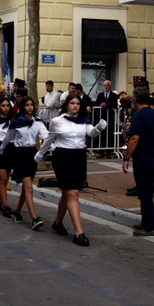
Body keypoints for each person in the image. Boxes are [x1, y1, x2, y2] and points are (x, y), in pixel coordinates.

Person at [34, 95, 108, 246]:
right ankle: (78, 232)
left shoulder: (83, 120)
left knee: (68, 192)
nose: (75, 106)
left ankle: (58, 222)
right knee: (73, 193)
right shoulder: (57, 121)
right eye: (72, 103)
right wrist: (38, 156)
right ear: (66, 105)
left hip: (79, 157)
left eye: (77, 104)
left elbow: (91, 133)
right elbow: (49, 140)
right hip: (62, 158)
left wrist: (99, 128)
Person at [0, 96, 49, 229]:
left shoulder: (38, 122)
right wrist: (1, 149)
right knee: (28, 187)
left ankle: (17, 211)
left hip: (32, 154)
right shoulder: (16, 122)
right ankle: (34, 218)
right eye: (27, 105)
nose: (30, 107)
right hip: (19, 154)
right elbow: (8, 137)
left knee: (27, 187)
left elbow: (46, 136)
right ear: (22, 107)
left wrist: (52, 145)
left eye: (32, 105)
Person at [123, 86, 154, 237]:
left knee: (145, 194)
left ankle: (150, 227)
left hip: (144, 158)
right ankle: (145, 222)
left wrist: (126, 157)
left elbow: (134, 139)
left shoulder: (138, 116)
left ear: (134, 100)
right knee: (145, 191)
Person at [95, 80, 118, 157]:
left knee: (110, 134)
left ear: (110, 86)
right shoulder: (100, 95)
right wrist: (101, 105)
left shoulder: (113, 95)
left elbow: (114, 104)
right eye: (104, 85)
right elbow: (96, 103)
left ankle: (108, 152)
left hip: (110, 117)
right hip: (102, 117)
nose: (106, 87)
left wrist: (107, 105)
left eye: (107, 85)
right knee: (102, 134)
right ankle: (101, 151)